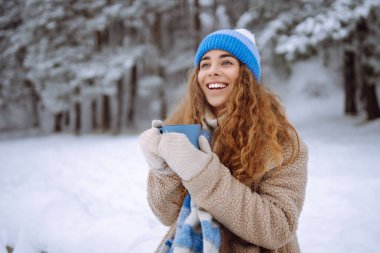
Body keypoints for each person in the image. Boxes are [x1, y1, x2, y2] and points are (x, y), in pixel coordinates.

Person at [139, 28, 308, 253]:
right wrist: (163, 170)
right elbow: (166, 215)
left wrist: (202, 173)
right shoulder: (189, 129)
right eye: (205, 64)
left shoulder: (282, 140)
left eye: (226, 63)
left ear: (245, 74)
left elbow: (278, 228)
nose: (212, 71)